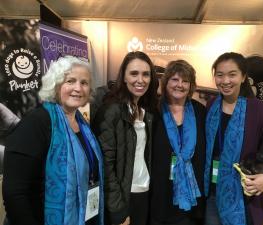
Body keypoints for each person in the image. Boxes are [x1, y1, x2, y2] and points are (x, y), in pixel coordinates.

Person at [3, 56, 104, 225]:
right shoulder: (36, 123)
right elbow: (15, 193)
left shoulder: (83, 125)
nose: (78, 88)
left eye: (84, 83)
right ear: (56, 85)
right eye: (70, 81)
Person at [204, 52, 263, 225]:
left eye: (232, 74)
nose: (225, 81)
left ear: (243, 77)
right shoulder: (211, 106)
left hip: (245, 198)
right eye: (220, 75)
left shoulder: (261, 110)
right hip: (211, 194)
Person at [92, 51, 158, 225]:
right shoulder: (110, 111)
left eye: (146, 74)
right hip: (123, 198)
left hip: (144, 192)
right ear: (124, 78)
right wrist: (118, 210)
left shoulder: (147, 112)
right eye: (134, 73)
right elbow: (105, 165)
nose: (140, 80)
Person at [149, 60, 206, 225]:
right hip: (161, 197)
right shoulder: (153, 111)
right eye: (174, 79)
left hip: (192, 199)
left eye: (185, 80)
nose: (179, 85)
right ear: (165, 82)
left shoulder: (200, 112)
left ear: (191, 85)